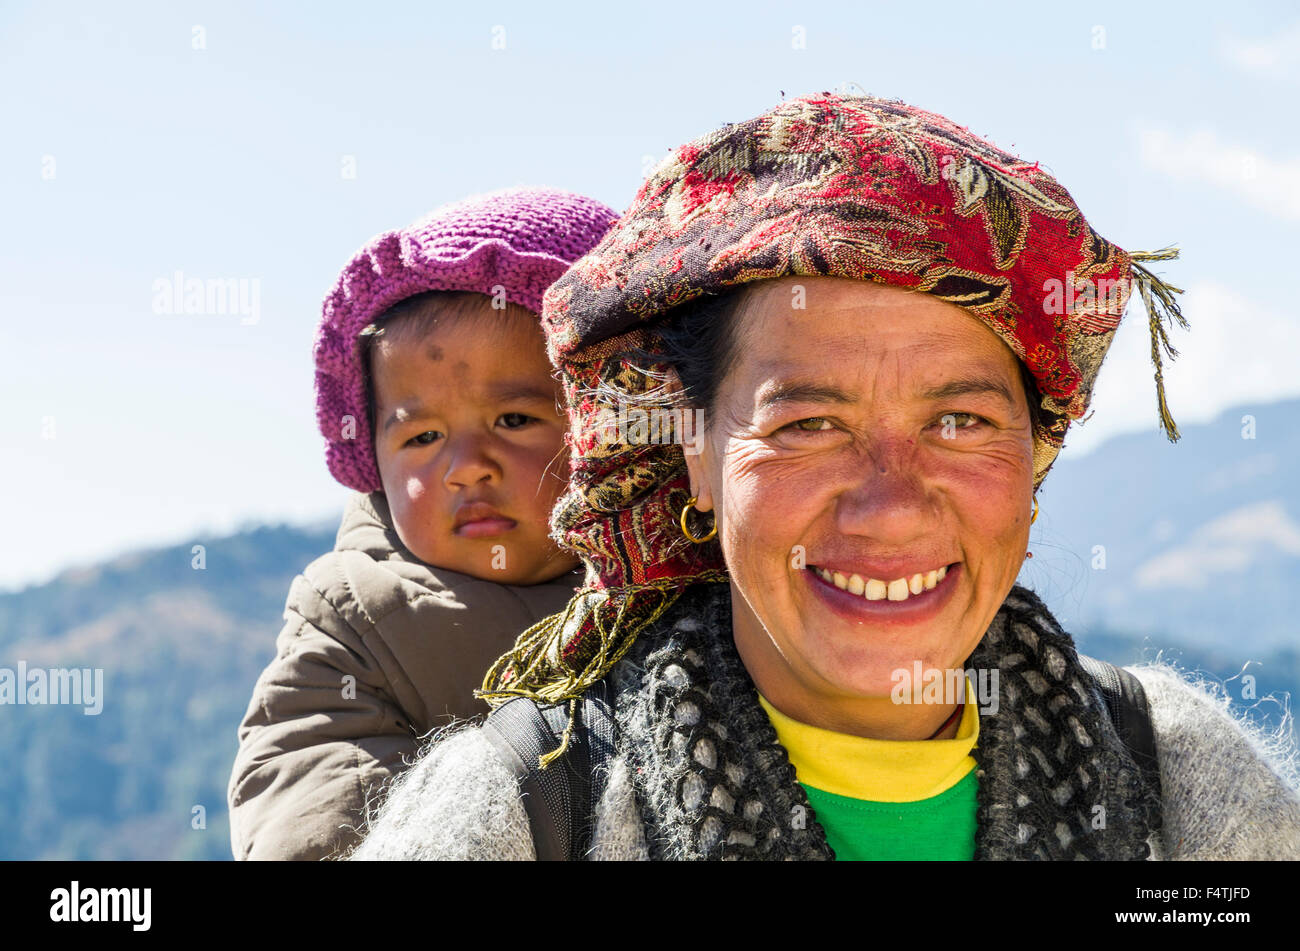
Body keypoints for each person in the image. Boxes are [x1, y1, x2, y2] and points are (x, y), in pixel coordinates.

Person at [349, 94, 1300, 860]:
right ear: (697, 453)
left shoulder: (1180, 782)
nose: (889, 507)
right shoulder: (527, 812)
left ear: (1034, 457)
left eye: (960, 422)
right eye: (809, 425)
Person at [227, 187, 619, 860]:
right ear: (374, 458)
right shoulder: (357, 623)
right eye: (423, 436)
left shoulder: (704, 583)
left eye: (515, 420)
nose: (466, 468)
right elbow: (312, 821)